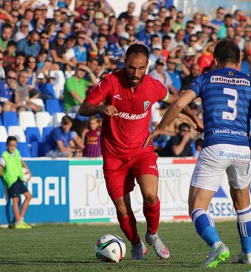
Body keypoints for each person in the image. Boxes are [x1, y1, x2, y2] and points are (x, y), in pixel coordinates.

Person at [145, 38, 251, 268]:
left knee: (197, 207)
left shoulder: (205, 79)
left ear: (215, 60)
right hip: (242, 149)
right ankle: (248, 254)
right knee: (243, 204)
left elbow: (178, 104)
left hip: (215, 146)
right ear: (240, 60)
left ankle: (216, 245)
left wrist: (161, 127)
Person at [79, 44, 202, 260]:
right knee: (123, 210)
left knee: (151, 196)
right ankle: (136, 243)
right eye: (131, 68)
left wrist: (193, 117)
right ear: (124, 63)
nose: (135, 74)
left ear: (147, 67)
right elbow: (83, 108)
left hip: (142, 151)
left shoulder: (153, 86)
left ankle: (152, 235)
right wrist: (100, 108)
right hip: (114, 157)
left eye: (140, 69)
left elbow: (177, 102)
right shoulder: (111, 81)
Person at [0, 136, 33, 229]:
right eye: (10, 145)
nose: (12, 147)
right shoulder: (4, 156)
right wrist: (6, 178)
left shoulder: (17, 153)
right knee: (15, 200)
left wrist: (28, 170)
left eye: (14, 145)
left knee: (29, 196)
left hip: (19, 179)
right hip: (12, 181)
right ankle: (18, 223)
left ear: (16, 145)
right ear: (7, 145)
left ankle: (20, 219)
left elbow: (21, 161)